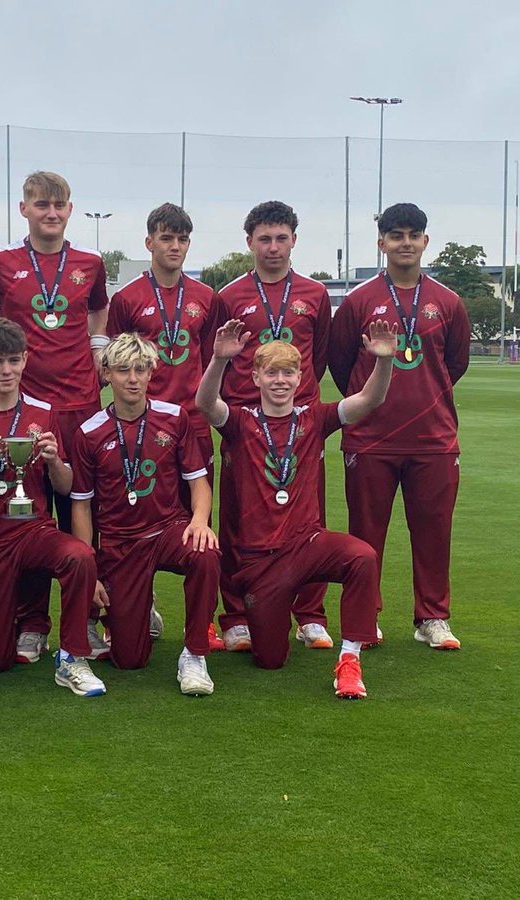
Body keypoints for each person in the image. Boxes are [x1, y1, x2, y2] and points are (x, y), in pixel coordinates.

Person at [195, 319, 398, 698]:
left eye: (288, 372)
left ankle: (350, 661)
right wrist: (219, 361)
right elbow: (206, 404)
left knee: (363, 558)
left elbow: (369, 401)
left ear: (301, 378)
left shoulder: (314, 418)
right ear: (255, 377)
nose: (280, 380)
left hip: (308, 545)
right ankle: (266, 617)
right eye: (271, 372)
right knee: (270, 659)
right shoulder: (240, 422)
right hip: (260, 560)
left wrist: (383, 362)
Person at [0, 170, 109, 642]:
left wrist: (99, 345)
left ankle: (87, 615)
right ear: (23, 209)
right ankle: (33, 621)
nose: (51, 213)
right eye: (41, 204)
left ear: (69, 210)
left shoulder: (91, 261)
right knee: (25, 512)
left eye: (59, 205)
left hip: (81, 403)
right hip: (21, 407)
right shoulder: (0, 261)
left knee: (81, 509)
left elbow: (99, 307)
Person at [328, 203, 470, 650]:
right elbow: (340, 363)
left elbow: (455, 364)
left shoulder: (448, 302)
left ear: (425, 241)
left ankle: (432, 617)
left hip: (433, 438)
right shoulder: (358, 301)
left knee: (433, 532)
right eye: (396, 235)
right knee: (365, 536)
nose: (405, 242)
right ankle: (364, 619)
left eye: (413, 235)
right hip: (371, 439)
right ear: (381, 243)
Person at [0, 318, 106, 697]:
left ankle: (72, 657)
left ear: (26, 360)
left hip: (34, 532)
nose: (6, 371)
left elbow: (65, 485)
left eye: (14, 361)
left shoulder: (44, 412)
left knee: (79, 556)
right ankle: (22, 627)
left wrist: (53, 461)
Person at [70, 333, 220, 695]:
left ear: (152, 371)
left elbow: (199, 482)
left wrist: (199, 521)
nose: (133, 378)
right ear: (106, 374)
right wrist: (90, 569)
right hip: (122, 544)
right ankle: (139, 610)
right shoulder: (88, 433)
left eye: (140, 369)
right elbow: (81, 505)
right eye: (123, 370)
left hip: (169, 530)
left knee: (206, 553)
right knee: (130, 659)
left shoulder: (175, 418)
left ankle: (194, 653)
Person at [214, 200, 333, 653]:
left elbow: (317, 360)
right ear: (249, 243)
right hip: (244, 424)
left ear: (294, 241)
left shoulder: (315, 294)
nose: (273, 247)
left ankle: (309, 615)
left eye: (281, 238)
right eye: (264, 238)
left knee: (310, 520)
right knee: (238, 518)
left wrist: (293, 400)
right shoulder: (231, 295)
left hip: (300, 425)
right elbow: (221, 361)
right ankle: (237, 615)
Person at [106, 202, 222, 649]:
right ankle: (141, 598)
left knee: (197, 521)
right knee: (139, 510)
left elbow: (214, 359)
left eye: (182, 239)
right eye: (166, 238)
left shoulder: (205, 297)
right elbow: (114, 359)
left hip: (191, 425)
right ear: (149, 242)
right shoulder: (128, 298)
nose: (174, 246)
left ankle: (204, 622)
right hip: (141, 427)